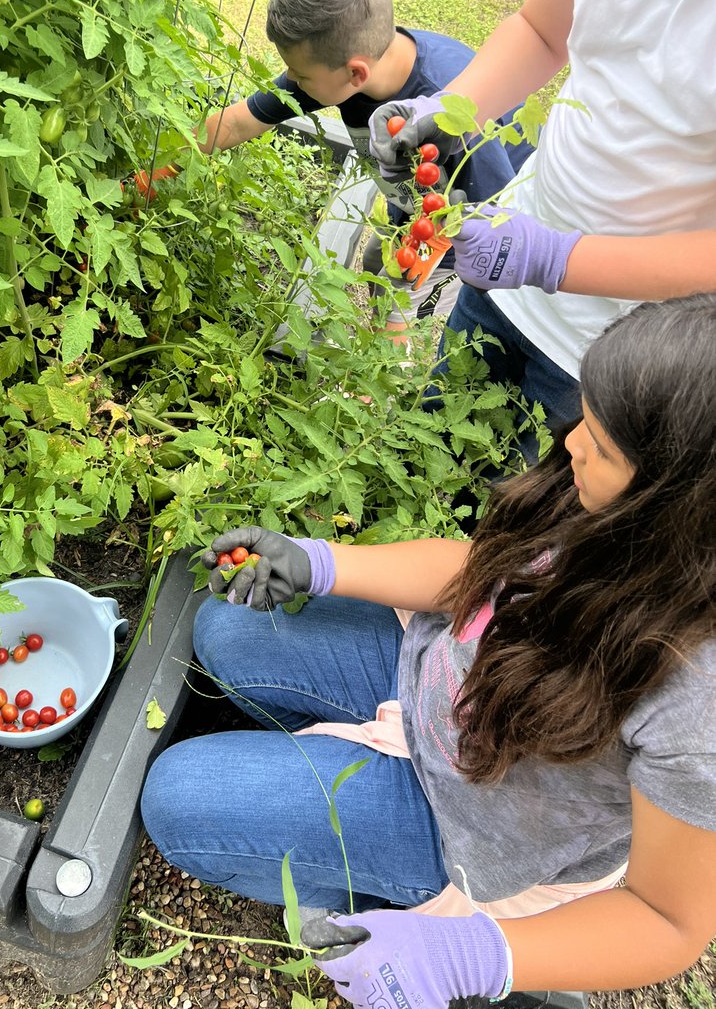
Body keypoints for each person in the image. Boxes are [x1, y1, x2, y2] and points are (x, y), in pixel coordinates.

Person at [140, 293, 716, 1009]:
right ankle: (322, 782)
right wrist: (319, 562)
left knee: (177, 802)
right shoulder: (616, 510)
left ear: (676, 503)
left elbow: (669, 921)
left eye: (599, 445)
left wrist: (467, 957)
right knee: (224, 631)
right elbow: (483, 574)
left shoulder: (699, 710)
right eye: (585, 422)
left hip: (469, 823)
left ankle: (390, 903)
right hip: (448, 688)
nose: (571, 446)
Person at [369, 0, 716, 428]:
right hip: (506, 271)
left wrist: (557, 261)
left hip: (618, 354)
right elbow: (541, 29)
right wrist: (446, 112)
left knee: (522, 521)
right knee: (431, 447)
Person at [200, 0, 533, 324]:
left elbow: (493, 218)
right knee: (377, 261)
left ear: (355, 73)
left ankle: (398, 364)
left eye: (301, 75)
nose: (292, 80)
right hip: (416, 207)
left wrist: (397, 317)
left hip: (471, 235)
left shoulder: (451, 108)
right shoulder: (348, 66)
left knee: (405, 314)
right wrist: (154, 172)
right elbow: (238, 122)